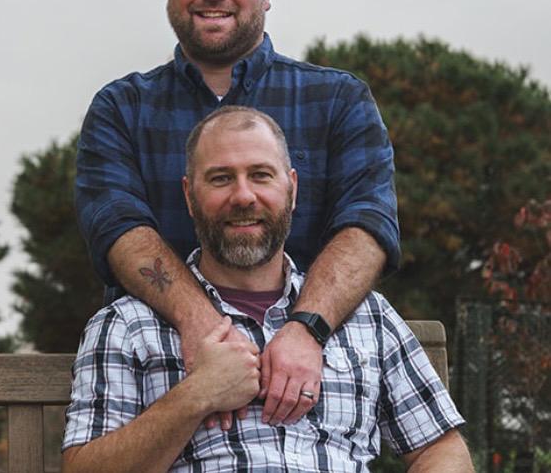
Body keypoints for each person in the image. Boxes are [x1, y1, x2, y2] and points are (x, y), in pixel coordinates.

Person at [75, 0, 399, 427]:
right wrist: (205, 331)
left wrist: (306, 329)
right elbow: (117, 227)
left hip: (315, 390)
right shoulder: (121, 109)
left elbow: (368, 223)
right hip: (165, 388)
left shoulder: (338, 100)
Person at [63, 107, 473, 473]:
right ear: (189, 196)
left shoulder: (369, 316)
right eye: (221, 178)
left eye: (260, 175)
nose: (243, 196)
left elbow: (441, 449)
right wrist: (195, 397)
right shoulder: (127, 325)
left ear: (292, 189)